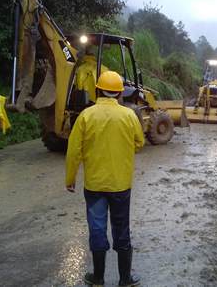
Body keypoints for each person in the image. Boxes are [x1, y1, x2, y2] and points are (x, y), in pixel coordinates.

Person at [65, 71, 145, 286]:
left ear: (98, 90)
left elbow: (74, 151)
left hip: (94, 185)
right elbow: (139, 143)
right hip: (120, 185)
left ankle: (98, 278)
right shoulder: (129, 115)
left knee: (97, 228)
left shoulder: (86, 115)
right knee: (121, 227)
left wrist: (70, 177)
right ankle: (125, 278)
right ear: (120, 94)